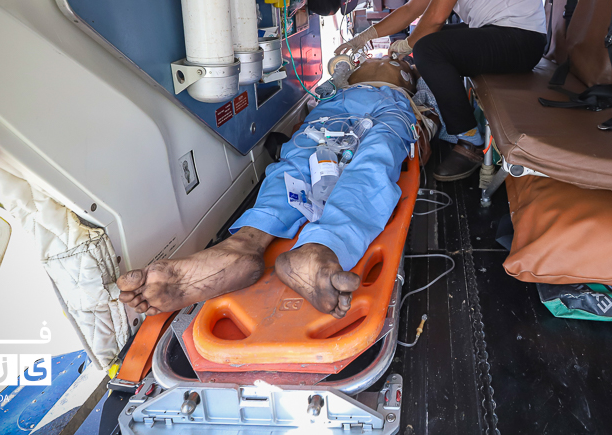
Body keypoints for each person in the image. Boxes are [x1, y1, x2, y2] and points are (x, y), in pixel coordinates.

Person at [118, 84, 417, 319]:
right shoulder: (390, 75)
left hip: (376, 104)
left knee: (320, 160)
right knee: (355, 164)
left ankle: (253, 241)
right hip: (356, 102)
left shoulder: (405, 82)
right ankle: (308, 246)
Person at [337, 0, 547, 181]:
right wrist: (365, 36)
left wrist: (409, 44)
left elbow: (435, 16)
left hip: (521, 41)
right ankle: (452, 118)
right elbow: (413, 9)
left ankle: (470, 142)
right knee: (430, 45)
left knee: (429, 48)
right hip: (504, 34)